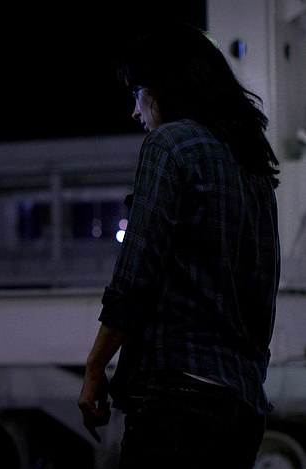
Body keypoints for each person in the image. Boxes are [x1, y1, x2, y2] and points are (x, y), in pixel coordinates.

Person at [78, 23, 281, 469]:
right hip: (243, 408)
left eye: (138, 93)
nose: (135, 111)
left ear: (163, 88)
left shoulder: (170, 145)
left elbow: (135, 276)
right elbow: (263, 298)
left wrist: (94, 368)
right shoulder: (254, 166)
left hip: (178, 400)